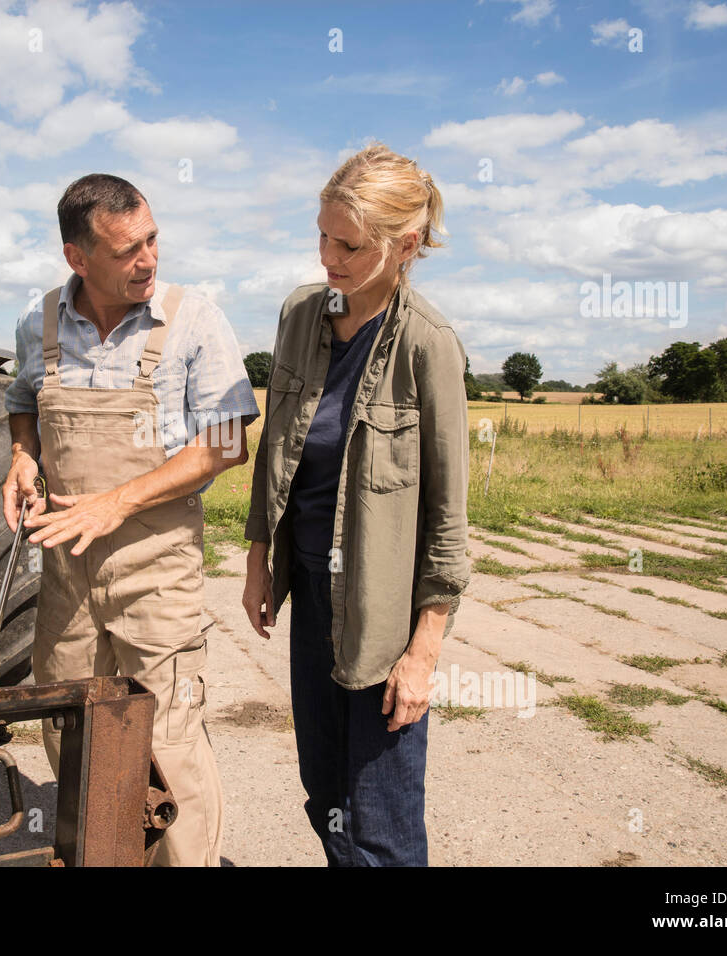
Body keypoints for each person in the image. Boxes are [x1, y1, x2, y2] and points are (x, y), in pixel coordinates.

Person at [3, 173, 259, 867]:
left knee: (169, 738)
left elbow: (228, 444)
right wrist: (22, 455)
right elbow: (23, 400)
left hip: (156, 567)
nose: (147, 259)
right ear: (77, 259)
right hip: (67, 576)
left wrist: (118, 499)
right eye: (126, 250)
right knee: (72, 726)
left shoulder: (192, 318)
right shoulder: (41, 324)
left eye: (152, 240)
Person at [241, 144, 470, 866]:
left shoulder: (428, 345)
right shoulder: (299, 315)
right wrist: (257, 562)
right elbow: (275, 445)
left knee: (381, 819)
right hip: (310, 593)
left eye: (349, 244)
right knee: (324, 794)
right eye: (321, 235)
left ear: (404, 246)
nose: (327, 257)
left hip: (383, 615)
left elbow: (447, 519)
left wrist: (422, 653)